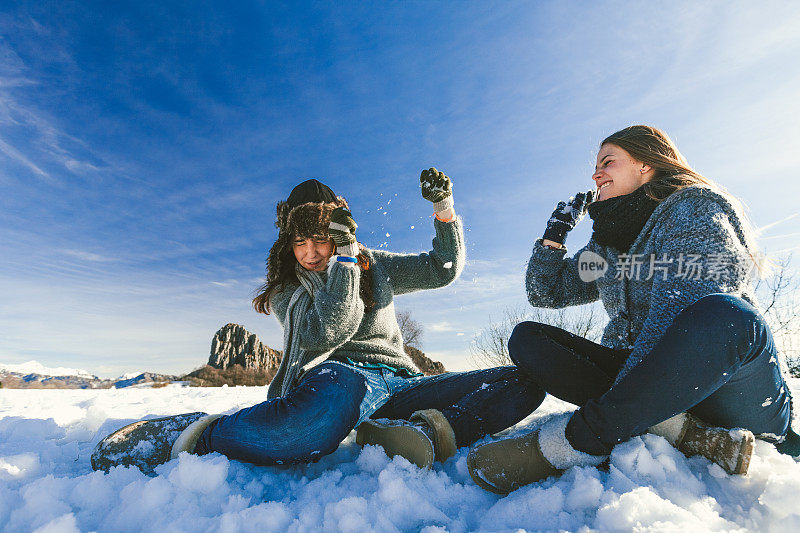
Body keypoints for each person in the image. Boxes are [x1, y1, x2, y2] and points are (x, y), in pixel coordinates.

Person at [91, 169, 543, 475]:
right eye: (299, 241)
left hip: (403, 384)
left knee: (525, 381)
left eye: (321, 239)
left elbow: (443, 268)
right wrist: (344, 260)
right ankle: (200, 433)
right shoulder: (291, 288)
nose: (310, 252)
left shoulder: (374, 265)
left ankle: (420, 432)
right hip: (338, 380)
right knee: (316, 421)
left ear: (340, 232)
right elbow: (333, 329)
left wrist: (443, 209)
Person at [466, 125, 799, 495]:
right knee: (529, 338)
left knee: (724, 315)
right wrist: (555, 234)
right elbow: (547, 292)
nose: (596, 174)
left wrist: (620, 403)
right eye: (596, 167)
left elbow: (679, 305)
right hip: (644, 381)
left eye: (608, 162)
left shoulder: (694, 206)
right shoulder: (607, 248)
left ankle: (575, 441)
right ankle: (679, 431)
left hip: (730, 388)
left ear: (645, 163)